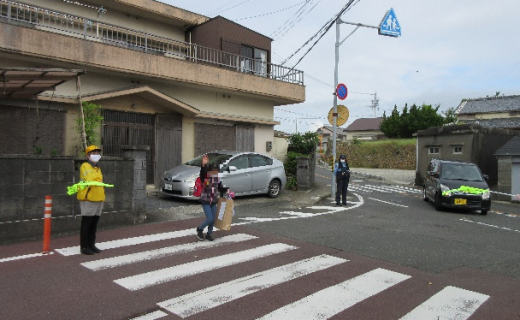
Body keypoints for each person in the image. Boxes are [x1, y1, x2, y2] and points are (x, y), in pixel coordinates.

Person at [77, 145, 106, 255]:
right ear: (88, 155)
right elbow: (90, 179)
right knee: (86, 223)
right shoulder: (85, 166)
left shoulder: (97, 168)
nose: (96, 155)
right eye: (93, 153)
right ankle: (84, 247)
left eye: (97, 153)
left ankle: (91, 244)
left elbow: (100, 182)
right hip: (88, 198)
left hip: (98, 198)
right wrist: (98, 180)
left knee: (94, 223)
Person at [196, 162, 227, 241]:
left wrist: (226, 190)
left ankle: (209, 234)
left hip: (213, 201)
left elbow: (220, 188)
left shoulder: (217, 179)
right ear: (209, 171)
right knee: (210, 218)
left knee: (213, 219)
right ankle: (200, 229)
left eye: (216, 171)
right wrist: (203, 165)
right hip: (205, 200)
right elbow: (202, 173)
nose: (215, 173)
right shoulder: (205, 178)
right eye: (213, 171)